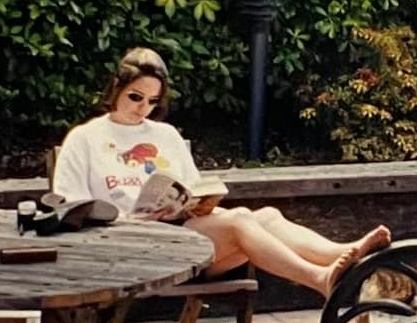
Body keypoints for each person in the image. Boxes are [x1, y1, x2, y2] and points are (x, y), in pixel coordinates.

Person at [53, 47, 390, 295]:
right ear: (116, 88)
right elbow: (70, 208)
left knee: (267, 216)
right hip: (129, 248)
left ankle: (340, 253)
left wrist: (196, 203)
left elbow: (193, 189)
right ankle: (318, 278)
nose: (143, 108)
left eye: (153, 102)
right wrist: (125, 221)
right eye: (135, 97)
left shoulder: (164, 135)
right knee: (240, 220)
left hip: (181, 235)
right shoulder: (86, 138)